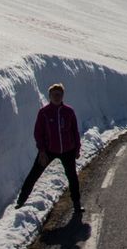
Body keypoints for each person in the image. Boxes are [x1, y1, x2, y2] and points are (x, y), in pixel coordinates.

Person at [16, 83, 83, 213]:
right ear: (50, 96)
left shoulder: (69, 111)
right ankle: (21, 200)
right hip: (48, 150)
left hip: (68, 150)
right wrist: (41, 150)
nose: (57, 97)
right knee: (34, 174)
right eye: (54, 95)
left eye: (59, 94)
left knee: (72, 177)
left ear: (63, 96)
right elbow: (38, 133)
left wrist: (77, 148)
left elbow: (75, 131)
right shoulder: (44, 113)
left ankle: (76, 204)